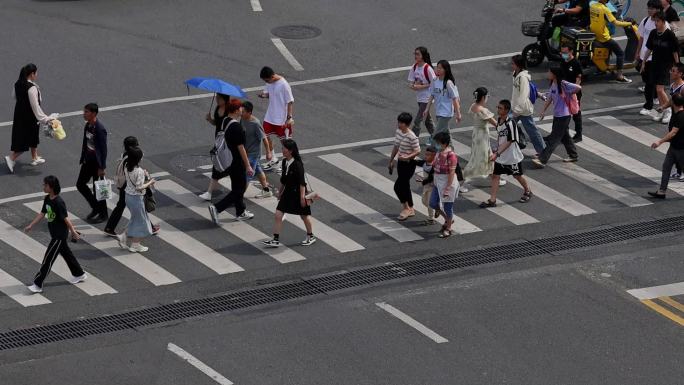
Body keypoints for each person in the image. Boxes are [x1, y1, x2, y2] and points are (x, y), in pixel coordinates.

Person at [24, 175, 87, 293]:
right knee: (67, 254)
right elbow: (42, 213)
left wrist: (73, 232)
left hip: (59, 235)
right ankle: (79, 274)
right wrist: (31, 225)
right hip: (54, 234)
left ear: (51, 187)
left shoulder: (59, 202)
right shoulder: (47, 198)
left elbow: (66, 219)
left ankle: (38, 284)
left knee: (48, 259)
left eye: (45, 185)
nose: (43, 186)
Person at [262, 139, 316, 247]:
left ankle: (310, 236)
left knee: (304, 216)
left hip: (298, 193)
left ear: (290, 151)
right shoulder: (284, 161)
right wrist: (280, 192)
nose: (282, 150)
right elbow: (284, 179)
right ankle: (275, 239)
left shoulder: (297, 164)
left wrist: (301, 198)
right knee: (278, 214)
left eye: (284, 149)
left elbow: (302, 183)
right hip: (287, 193)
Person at [208, 100, 255, 224]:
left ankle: (240, 211)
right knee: (239, 189)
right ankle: (217, 208)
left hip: (228, 160)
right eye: (240, 108)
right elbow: (241, 148)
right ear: (235, 110)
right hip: (237, 161)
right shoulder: (236, 127)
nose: (242, 109)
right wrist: (248, 165)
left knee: (236, 186)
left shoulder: (225, 121)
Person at [481, 100, 533, 208]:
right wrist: (497, 150)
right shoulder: (499, 120)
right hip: (501, 156)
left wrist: (497, 153)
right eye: (498, 107)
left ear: (506, 110)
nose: (498, 110)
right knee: (495, 176)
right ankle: (492, 200)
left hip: (512, 157)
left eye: (500, 108)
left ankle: (528, 191)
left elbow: (510, 141)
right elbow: (501, 137)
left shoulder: (511, 123)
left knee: (517, 175)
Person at [104, 136, 159, 237]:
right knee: (138, 207)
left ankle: (110, 227)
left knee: (123, 206)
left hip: (124, 185)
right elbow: (133, 172)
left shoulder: (125, 155)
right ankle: (146, 229)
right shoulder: (130, 157)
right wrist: (143, 175)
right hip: (128, 187)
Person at [5, 64, 54, 173]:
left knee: (32, 136)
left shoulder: (17, 83)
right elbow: (35, 107)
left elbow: (14, 96)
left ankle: (35, 157)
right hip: (30, 117)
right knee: (26, 140)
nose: (37, 75)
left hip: (19, 115)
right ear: (32, 74)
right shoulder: (32, 88)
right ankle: (11, 158)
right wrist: (46, 119)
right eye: (36, 73)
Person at [533, 66, 581, 168]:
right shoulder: (553, 84)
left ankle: (542, 159)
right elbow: (550, 98)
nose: (548, 73)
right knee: (565, 136)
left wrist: (570, 93)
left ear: (554, 74)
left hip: (564, 115)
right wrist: (543, 111)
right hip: (558, 115)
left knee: (554, 138)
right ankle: (573, 155)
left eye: (549, 72)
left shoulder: (563, 84)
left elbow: (578, 88)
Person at [642, 11, 680, 123]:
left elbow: (675, 51)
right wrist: (644, 61)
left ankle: (668, 111)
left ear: (663, 22)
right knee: (658, 91)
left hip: (666, 65)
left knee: (660, 89)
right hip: (655, 64)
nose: (656, 23)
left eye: (658, 21)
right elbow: (649, 48)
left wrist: (677, 66)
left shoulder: (669, 35)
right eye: (655, 21)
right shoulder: (653, 33)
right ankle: (663, 111)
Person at [117, 147, 155, 252]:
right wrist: (149, 182)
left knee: (135, 219)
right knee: (141, 222)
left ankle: (123, 236)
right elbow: (139, 187)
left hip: (128, 197)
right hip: (137, 199)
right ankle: (135, 244)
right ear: (138, 158)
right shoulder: (139, 171)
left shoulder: (126, 166)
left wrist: (144, 175)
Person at [77, 103, 109, 224]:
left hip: (97, 163)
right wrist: (83, 157)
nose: (84, 114)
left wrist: (102, 167)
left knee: (99, 189)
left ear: (94, 113)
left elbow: (103, 149)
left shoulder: (100, 129)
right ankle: (95, 207)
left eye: (86, 112)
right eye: (84, 111)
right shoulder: (88, 126)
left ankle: (103, 214)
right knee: (80, 184)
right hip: (88, 161)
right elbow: (85, 143)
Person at [258, 66, 294, 173]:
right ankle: (273, 159)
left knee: (286, 143)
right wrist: (264, 95)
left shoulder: (284, 85)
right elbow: (270, 94)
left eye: (267, 80)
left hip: (281, 119)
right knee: (265, 136)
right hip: (270, 116)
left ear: (272, 76)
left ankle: (290, 164)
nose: (266, 82)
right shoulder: (269, 82)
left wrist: (289, 117)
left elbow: (290, 102)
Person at [589, 0, 634, 83]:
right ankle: (620, 76)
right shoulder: (605, 9)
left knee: (608, 49)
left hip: (595, 34)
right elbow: (616, 23)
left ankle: (601, 69)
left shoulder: (593, 6)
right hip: (604, 37)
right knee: (620, 53)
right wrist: (629, 23)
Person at [648, 93, 684, 198]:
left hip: (681, 149)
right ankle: (662, 191)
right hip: (674, 147)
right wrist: (663, 108)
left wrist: (660, 142)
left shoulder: (681, 116)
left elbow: (673, 133)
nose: (669, 102)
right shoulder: (676, 109)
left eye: (671, 101)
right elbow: (669, 103)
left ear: (674, 103)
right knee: (666, 167)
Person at [511, 54, 547, 155]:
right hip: (515, 107)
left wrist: (516, 111)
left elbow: (523, 95)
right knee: (507, 126)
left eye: (513, 64)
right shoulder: (515, 74)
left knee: (532, 131)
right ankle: (507, 147)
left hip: (522, 109)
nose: (511, 65)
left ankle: (543, 151)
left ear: (518, 65)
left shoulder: (523, 78)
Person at [388, 112, 420, 221]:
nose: (399, 124)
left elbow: (417, 151)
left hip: (409, 164)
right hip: (401, 163)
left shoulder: (412, 137)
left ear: (407, 124)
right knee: (405, 186)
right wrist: (391, 160)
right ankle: (410, 208)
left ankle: (407, 208)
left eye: (401, 123)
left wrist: (407, 157)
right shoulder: (398, 132)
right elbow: (396, 146)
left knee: (398, 186)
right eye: (399, 122)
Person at [638, 0, 667, 118]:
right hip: (645, 57)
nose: (649, 10)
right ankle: (656, 100)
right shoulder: (645, 21)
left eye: (652, 8)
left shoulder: (665, 26)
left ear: (658, 10)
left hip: (656, 60)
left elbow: (671, 46)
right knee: (648, 82)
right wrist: (638, 54)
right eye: (648, 8)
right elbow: (641, 38)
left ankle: (649, 106)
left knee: (651, 84)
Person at [199, 93, 230, 201]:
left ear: (225, 99)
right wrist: (210, 119)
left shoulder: (229, 110)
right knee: (220, 165)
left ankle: (209, 192)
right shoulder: (217, 108)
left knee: (218, 165)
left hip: (227, 141)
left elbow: (232, 125)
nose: (217, 100)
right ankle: (209, 192)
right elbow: (216, 123)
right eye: (216, 98)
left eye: (219, 98)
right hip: (219, 140)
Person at [429, 132, 459, 238]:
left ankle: (448, 228)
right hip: (438, 182)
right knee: (432, 203)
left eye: (438, 142)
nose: (437, 144)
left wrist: (448, 188)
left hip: (447, 183)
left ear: (444, 143)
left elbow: (451, 172)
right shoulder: (439, 152)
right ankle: (448, 219)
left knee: (448, 207)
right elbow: (434, 165)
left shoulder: (451, 155)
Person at [241, 101, 274, 198]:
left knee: (248, 174)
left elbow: (264, 138)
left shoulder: (255, 123)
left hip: (254, 153)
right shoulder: (242, 119)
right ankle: (266, 190)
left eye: (243, 112)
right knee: (258, 171)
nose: (241, 113)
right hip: (246, 151)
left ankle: (239, 196)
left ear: (249, 112)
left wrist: (268, 152)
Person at [423, 59, 462, 140]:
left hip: (446, 112)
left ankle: (433, 149)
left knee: (436, 134)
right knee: (446, 134)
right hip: (438, 111)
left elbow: (455, 98)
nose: (438, 69)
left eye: (440, 68)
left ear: (445, 70)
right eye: (437, 67)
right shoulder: (434, 81)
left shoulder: (448, 83)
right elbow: (432, 95)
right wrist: (427, 109)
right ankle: (451, 149)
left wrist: (458, 113)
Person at [463, 87, 496, 180]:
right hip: (482, 136)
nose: (487, 98)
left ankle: (495, 177)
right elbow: (495, 123)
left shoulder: (473, 106)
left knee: (489, 155)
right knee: (476, 160)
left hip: (477, 134)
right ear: (483, 97)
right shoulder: (483, 110)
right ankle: (462, 180)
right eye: (487, 96)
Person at [659, 63, 684, 180]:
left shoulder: (683, 88)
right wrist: (663, 107)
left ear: (680, 74)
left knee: (680, 147)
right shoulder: (673, 85)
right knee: (675, 145)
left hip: (681, 119)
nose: (671, 72)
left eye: (673, 71)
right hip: (674, 118)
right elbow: (671, 100)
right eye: (671, 70)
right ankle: (679, 171)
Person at [408, 46, 436, 139]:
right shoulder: (414, 66)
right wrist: (415, 86)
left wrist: (422, 86)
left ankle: (413, 140)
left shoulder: (428, 68)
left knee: (418, 120)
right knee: (427, 120)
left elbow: (434, 83)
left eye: (417, 54)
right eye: (415, 54)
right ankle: (436, 137)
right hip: (419, 97)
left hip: (427, 98)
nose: (415, 56)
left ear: (423, 56)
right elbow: (411, 83)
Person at [559, 45, 584, 142]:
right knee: (563, 113)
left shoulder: (575, 63)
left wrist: (575, 90)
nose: (563, 54)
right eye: (562, 52)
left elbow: (578, 78)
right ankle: (563, 134)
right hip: (564, 91)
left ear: (571, 52)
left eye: (565, 52)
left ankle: (578, 135)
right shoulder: (562, 62)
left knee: (576, 113)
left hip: (574, 92)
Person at [414, 146, 437, 225]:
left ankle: (430, 219)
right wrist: (408, 159)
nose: (426, 156)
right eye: (426, 154)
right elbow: (417, 162)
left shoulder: (434, 166)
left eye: (428, 155)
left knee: (430, 203)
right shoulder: (424, 163)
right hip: (426, 186)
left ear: (434, 156)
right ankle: (437, 208)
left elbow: (430, 178)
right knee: (424, 201)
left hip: (433, 187)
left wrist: (422, 181)